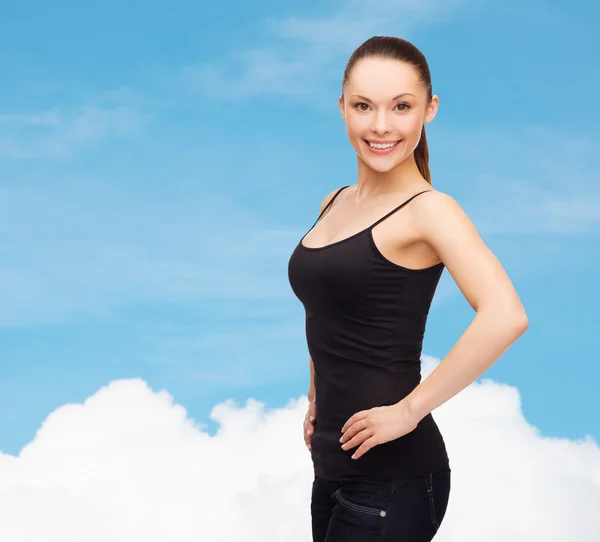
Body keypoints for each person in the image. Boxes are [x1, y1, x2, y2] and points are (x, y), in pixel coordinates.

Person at [287, 35, 528, 541]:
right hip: (331, 467)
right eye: (363, 106)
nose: (380, 126)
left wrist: (410, 411)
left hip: (394, 477)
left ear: (429, 110)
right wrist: (315, 398)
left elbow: (505, 315)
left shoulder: (430, 211)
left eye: (401, 107)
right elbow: (329, 309)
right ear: (342, 109)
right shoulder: (334, 200)